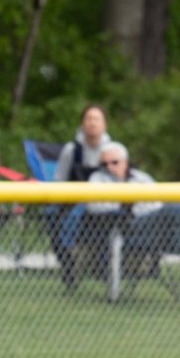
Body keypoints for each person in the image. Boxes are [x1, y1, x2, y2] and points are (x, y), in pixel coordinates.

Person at [83, 141, 180, 295]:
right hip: (125, 229)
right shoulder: (97, 178)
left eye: (114, 162)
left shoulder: (141, 178)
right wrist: (122, 206)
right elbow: (93, 207)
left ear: (125, 162)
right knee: (175, 209)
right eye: (104, 163)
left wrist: (139, 206)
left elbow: (157, 204)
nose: (109, 167)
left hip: (154, 230)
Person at [51, 104, 111, 286]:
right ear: (82, 123)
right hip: (72, 200)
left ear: (104, 124)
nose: (92, 123)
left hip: (103, 203)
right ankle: (67, 260)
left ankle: (96, 265)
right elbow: (59, 181)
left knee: (78, 214)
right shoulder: (72, 150)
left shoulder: (111, 151)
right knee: (51, 214)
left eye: (97, 119)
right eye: (88, 119)